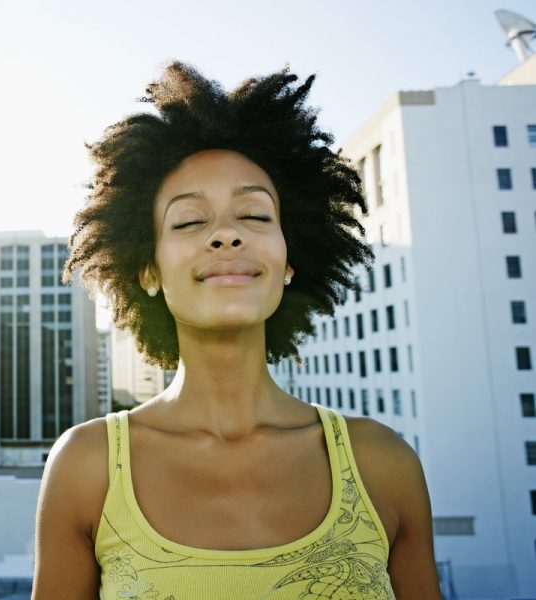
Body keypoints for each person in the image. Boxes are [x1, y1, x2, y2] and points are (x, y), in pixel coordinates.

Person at [32, 62, 441, 599]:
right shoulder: (87, 467)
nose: (226, 234)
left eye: (254, 215)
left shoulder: (382, 463)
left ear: (289, 260)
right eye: (188, 221)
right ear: (148, 270)